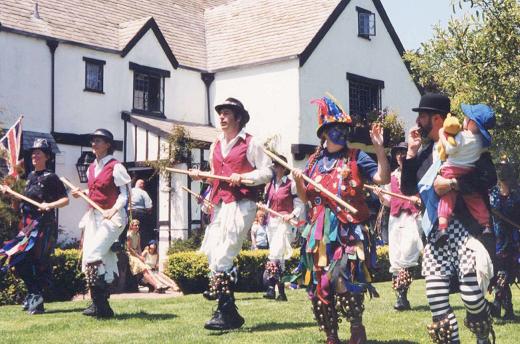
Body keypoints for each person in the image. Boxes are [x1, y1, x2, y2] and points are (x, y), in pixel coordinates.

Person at [292, 96, 390, 344]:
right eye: (335, 129)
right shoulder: (313, 163)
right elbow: (305, 198)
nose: (341, 134)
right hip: (318, 234)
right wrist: (297, 182)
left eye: (344, 129)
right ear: (324, 133)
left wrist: (378, 148)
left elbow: (382, 178)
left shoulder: (357, 157)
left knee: (344, 280)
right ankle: (331, 336)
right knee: (319, 285)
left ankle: (357, 331)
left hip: (348, 231)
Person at [401, 93, 496, 343]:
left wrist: (452, 183)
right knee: (436, 299)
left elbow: (488, 178)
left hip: (468, 231)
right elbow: (408, 188)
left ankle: (483, 337)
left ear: (437, 118)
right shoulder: (423, 154)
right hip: (436, 234)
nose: (417, 122)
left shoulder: (469, 144)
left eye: (421, 116)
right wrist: (410, 154)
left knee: (473, 298)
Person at [191, 97, 272, 330]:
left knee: (224, 255)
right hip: (220, 204)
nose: (222, 118)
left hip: (242, 203)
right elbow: (216, 174)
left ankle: (225, 312)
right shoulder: (214, 144)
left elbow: (267, 171)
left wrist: (245, 177)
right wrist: (202, 177)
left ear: (238, 118)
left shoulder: (251, 142)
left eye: (227, 114)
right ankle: (228, 313)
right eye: (220, 114)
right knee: (213, 254)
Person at [0, 138, 69, 314]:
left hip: (43, 224)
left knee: (38, 261)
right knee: (18, 258)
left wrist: (49, 205)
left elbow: (65, 200)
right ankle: (33, 293)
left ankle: (35, 297)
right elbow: (20, 205)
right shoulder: (30, 177)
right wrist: (12, 195)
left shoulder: (51, 177)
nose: (34, 155)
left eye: (39, 152)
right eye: (33, 152)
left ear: (46, 156)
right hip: (27, 225)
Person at [72, 128, 131, 319]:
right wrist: (83, 192)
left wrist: (113, 210)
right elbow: (96, 192)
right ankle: (100, 304)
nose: (94, 144)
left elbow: (124, 194)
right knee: (102, 258)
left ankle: (101, 303)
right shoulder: (90, 168)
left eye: (99, 140)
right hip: (95, 216)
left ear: (108, 145)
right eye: (93, 141)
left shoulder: (116, 166)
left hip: (113, 217)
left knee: (93, 255)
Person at [373, 142, 422, 311]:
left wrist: (419, 199)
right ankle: (401, 297)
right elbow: (388, 202)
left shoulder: (418, 174)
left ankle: (403, 295)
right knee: (395, 255)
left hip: (412, 217)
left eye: (404, 152)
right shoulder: (391, 176)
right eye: (398, 153)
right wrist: (381, 196)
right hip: (395, 218)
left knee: (408, 254)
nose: (401, 155)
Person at [436, 104, 496, 243]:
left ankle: (442, 227)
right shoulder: (480, 142)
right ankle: (486, 225)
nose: (463, 119)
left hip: (451, 171)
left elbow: (450, 149)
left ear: (472, 122)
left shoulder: (461, 136)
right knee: (475, 199)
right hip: (467, 169)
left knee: (446, 199)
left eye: (466, 117)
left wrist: (442, 136)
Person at [262, 155, 303, 301]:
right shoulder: (270, 184)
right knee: (277, 256)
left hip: (284, 224)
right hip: (271, 223)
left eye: (277, 165)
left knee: (276, 253)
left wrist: (291, 215)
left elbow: (300, 203)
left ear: (284, 168)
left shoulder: (291, 184)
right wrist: (264, 208)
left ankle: (271, 288)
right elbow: (268, 203)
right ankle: (281, 293)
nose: (275, 168)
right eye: (273, 165)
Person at [489, 157, 520, 320]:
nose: (501, 171)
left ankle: (497, 304)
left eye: (504, 168)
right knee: (502, 272)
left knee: (507, 272)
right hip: (497, 239)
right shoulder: (492, 192)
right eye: (499, 168)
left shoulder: (517, 194)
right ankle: (507, 310)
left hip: (514, 240)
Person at [126, 219, 167, 293]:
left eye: (138, 225)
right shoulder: (129, 235)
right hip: (130, 254)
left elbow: (138, 247)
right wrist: (139, 257)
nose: (137, 227)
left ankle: (158, 285)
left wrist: (141, 255)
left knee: (147, 268)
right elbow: (130, 248)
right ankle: (156, 285)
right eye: (135, 225)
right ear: (131, 226)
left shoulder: (138, 234)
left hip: (137, 254)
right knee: (144, 269)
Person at [130, 179, 154, 250]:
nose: (144, 186)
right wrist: (149, 212)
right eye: (143, 184)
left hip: (129, 212)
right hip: (140, 213)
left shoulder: (129, 191)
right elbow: (149, 206)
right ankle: (141, 248)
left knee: (130, 230)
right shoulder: (143, 192)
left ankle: (129, 247)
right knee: (142, 231)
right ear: (141, 185)